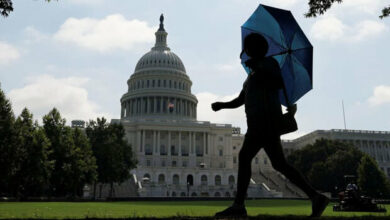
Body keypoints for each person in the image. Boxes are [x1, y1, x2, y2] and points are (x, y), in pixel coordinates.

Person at [212, 33, 329, 217]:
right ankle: (315, 196)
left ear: (256, 49)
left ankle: (239, 205)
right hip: (258, 123)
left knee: (245, 157)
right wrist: (222, 105)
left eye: (248, 47)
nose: (246, 52)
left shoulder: (269, 64)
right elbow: (240, 100)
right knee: (279, 164)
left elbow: (276, 82)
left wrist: (259, 68)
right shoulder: (251, 76)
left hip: (265, 121)